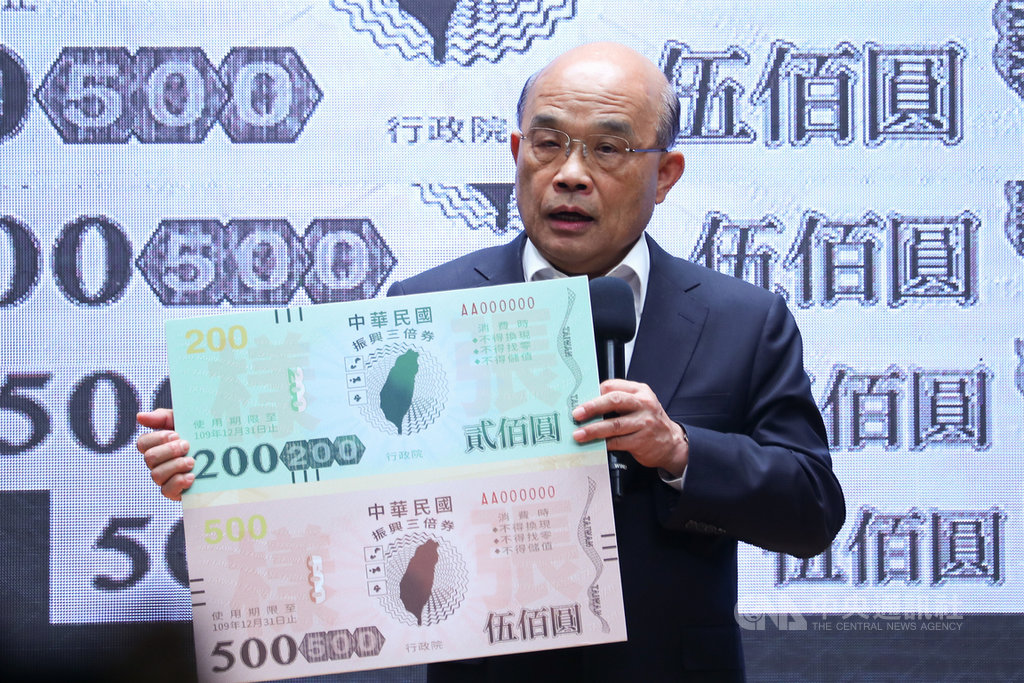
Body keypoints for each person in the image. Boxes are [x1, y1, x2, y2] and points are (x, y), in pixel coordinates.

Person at [139, 42, 845, 682]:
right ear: (516, 152)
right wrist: (222, 475)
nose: (570, 175)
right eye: (548, 144)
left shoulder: (742, 320)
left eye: (608, 149)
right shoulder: (425, 307)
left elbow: (812, 510)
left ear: (665, 174)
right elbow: (351, 495)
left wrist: (680, 451)